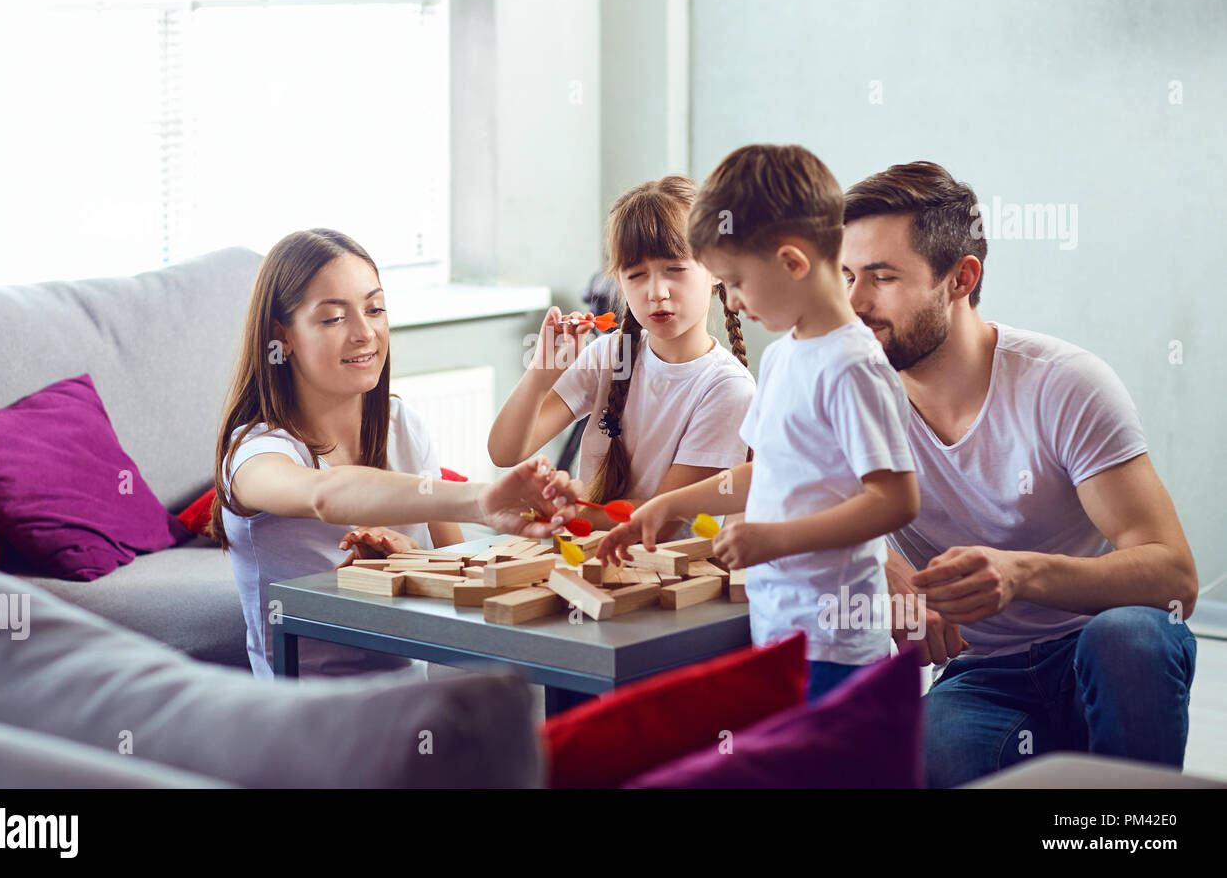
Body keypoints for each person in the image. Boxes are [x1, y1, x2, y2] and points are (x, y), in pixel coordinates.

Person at [840, 161, 1199, 786]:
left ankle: (1140, 832)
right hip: (983, 672)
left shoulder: (1065, 384)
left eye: (882, 277)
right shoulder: (850, 394)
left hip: (1094, 643)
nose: (854, 303)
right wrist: (878, 557)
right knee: (931, 755)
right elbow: (770, 489)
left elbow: (1174, 576)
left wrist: (1022, 573)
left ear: (961, 278)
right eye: (845, 276)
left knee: (1134, 640)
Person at [599, 146, 920, 702]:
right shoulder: (783, 356)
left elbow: (895, 501)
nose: (734, 300)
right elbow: (765, 474)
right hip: (778, 631)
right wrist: (672, 505)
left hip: (838, 645)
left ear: (794, 263)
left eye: (737, 282)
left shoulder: (853, 367)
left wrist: (773, 538)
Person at [208, 228, 580, 678]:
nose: (365, 333)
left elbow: (462, 587)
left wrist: (412, 563)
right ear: (281, 336)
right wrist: (480, 501)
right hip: (309, 719)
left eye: (374, 308)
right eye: (332, 319)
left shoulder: (403, 425)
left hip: (411, 704)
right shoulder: (253, 456)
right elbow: (324, 494)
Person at [489, 175, 755, 543]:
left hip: (668, 583)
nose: (656, 292)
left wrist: (562, 512)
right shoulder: (608, 354)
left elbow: (660, 520)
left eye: (675, 269)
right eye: (636, 274)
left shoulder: (729, 388)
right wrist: (539, 376)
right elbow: (504, 452)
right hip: (593, 566)